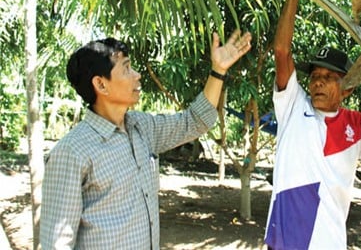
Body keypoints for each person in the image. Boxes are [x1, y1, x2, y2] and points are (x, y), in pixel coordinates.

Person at [40, 30, 251, 250]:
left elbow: (194, 121)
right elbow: (57, 243)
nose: (137, 75)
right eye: (127, 68)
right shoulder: (72, 152)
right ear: (101, 85)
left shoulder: (142, 128)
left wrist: (218, 71)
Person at [264, 0, 361, 250]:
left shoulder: (357, 125)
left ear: (346, 88)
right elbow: (282, 52)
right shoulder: (293, 105)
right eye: (315, 76)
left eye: (329, 77)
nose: (318, 81)